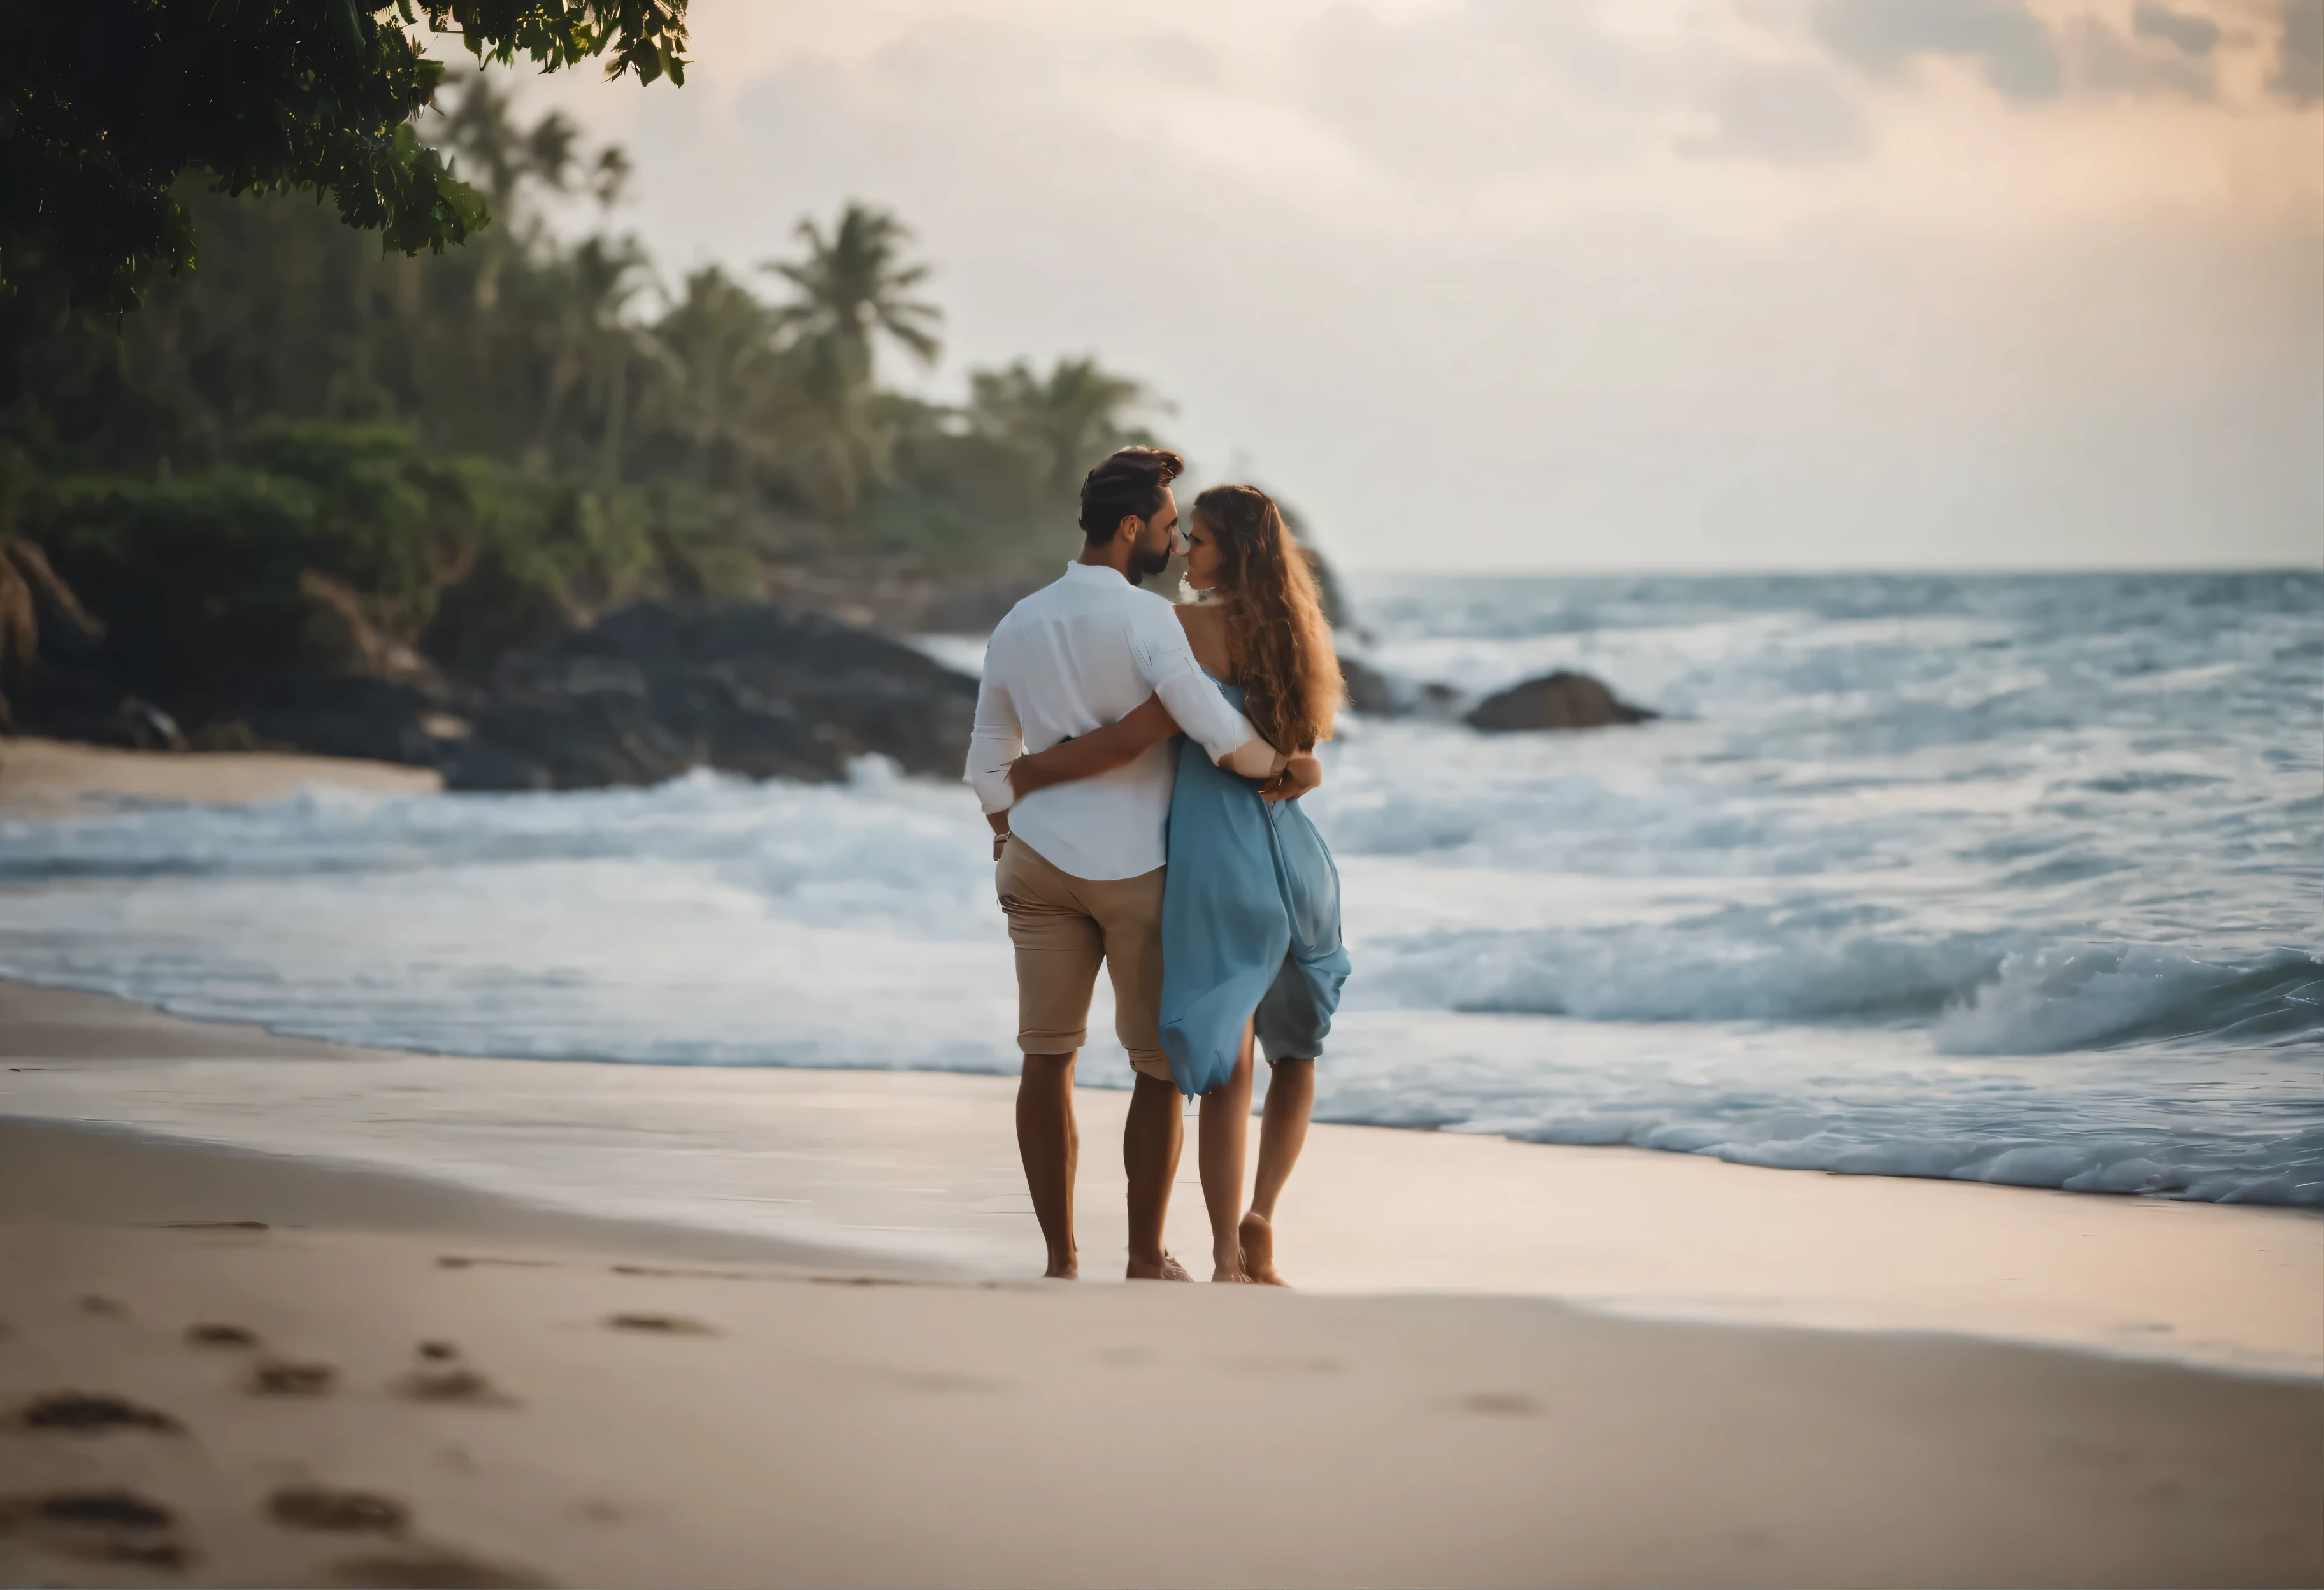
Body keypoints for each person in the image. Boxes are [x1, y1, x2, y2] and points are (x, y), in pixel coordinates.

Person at [963, 448, 1295, 1281]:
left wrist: (1012, 833)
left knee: (1047, 1056)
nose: (1175, 542)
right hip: (1137, 873)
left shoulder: (1018, 622)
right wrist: (1284, 770)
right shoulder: (1149, 622)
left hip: (1036, 862)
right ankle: (1146, 1255)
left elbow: (984, 764)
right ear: (1130, 527)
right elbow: (1215, 734)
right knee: (1155, 1068)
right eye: (1169, 526)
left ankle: (1059, 1258)